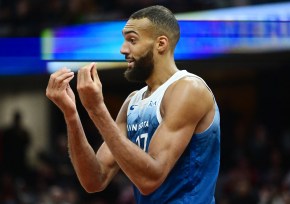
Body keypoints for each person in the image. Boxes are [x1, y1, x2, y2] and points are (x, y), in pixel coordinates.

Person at [46, 5, 221, 204]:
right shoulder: (133, 101)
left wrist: (96, 109)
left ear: (161, 44)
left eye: (132, 40)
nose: (123, 49)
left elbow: (150, 179)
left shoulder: (189, 88)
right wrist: (71, 114)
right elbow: (94, 180)